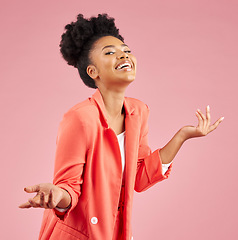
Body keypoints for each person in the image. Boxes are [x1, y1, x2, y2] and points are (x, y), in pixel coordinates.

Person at [19, 13, 224, 240]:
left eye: (126, 50)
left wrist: (182, 136)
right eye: (110, 52)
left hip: (116, 233)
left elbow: (139, 178)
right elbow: (69, 188)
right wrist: (57, 195)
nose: (123, 55)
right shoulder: (79, 118)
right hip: (79, 234)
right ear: (93, 72)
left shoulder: (139, 111)